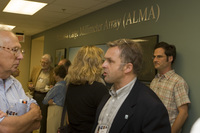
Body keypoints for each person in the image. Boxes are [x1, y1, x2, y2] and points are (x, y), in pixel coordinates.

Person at [92, 39, 171, 133]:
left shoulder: (151, 107)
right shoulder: (107, 97)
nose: (103, 65)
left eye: (110, 61)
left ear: (128, 68)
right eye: (105, 60)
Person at [0, 28, 42, 133]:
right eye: (14, 50)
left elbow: (37, 123)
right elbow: (6, 129)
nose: (21, 56)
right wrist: (31, 116)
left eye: (20, 51)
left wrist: (15, 123)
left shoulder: (15, 84)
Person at [65, 46, 108, 133]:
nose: (103, 64)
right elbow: (105, 121)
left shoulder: (71, 85)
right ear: (95, 64)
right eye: (101, 61)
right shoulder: (99, 89)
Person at [150, 42, 191, 133]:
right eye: (154, 56)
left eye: (159, 57)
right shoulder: (154, 81)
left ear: (170, 58)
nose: (155, 60)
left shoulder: (178, 82)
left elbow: (183, 113)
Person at [28, 54, 56, 133]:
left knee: (43, 118)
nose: (43, 64)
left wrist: (52, 87)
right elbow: (29, 80)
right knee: (32, 116)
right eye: (42, 62)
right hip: (35, 95)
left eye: (45, 63)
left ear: (50, 63)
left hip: (45, 97)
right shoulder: (36, 69)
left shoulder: (53, 72)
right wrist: (29, 85)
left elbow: (56, 84)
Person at [43, 65, 67, 133]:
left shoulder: (57, 87)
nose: (53, 75)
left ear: (57, 75)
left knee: (52, 130)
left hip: (54, 110)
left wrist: (49, 100)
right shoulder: (65, 86)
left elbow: (45, 100)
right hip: (63, 111)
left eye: (54, 73)